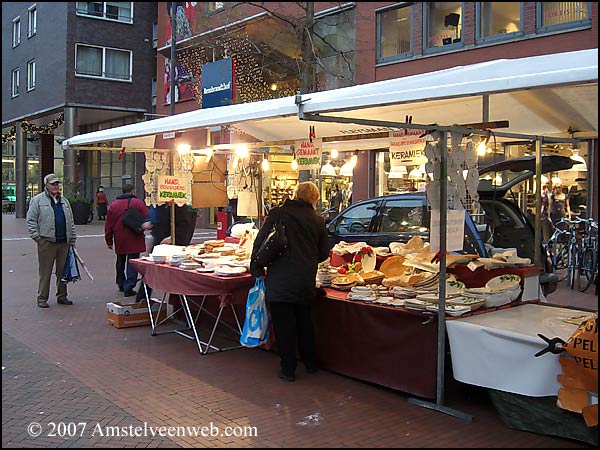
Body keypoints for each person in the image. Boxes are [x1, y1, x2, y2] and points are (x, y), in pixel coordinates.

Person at [250, 182, 330, 382]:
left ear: (295, 194)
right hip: (305, 280)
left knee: (284, 325)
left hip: (280, 279)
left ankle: (288, 369)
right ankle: (310, 363)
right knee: (305, 322)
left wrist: (257, 269)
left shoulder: (278, 213)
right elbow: (323, 253)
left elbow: (260, 242)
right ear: (314, 199)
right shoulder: (317, 220)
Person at [26, 173, 77, 308]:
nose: (56, 186)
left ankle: (62, 296)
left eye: (57, 184)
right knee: (45, 272)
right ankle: (42, 298)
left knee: (63, 272)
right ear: (46, 185)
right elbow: (31, 220)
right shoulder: (37, 200)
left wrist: (72, 238)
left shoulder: (64, 201)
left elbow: (70, 220)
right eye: (53, 184)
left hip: (63, 242)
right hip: (46, 242)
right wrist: (37, 237)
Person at [105, 184, 150, 297]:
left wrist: (109, 241)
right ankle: (129, 286)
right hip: (134, 237)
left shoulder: (113, 206)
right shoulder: (138, 203)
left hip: (119, 238)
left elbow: (108, 225)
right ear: (132, 191)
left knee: (120, 261)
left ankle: (120, 283)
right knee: (132, 262)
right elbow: (146, 217)